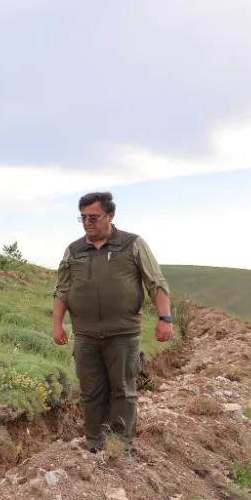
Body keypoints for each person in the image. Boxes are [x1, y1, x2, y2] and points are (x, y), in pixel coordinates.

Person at [52, 191, 173, 455]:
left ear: (111, 215)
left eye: (93, 217)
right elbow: (62, 290)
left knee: (122, 390)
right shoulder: (73, 250)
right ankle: (95, 443)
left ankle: (120, 446)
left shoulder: (132, 244)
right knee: (90, 392)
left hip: (123, 334)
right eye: (83, 217)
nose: (87, 223)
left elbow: (156, 282)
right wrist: (57, 325)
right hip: (85, 336)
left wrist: (165, 318)